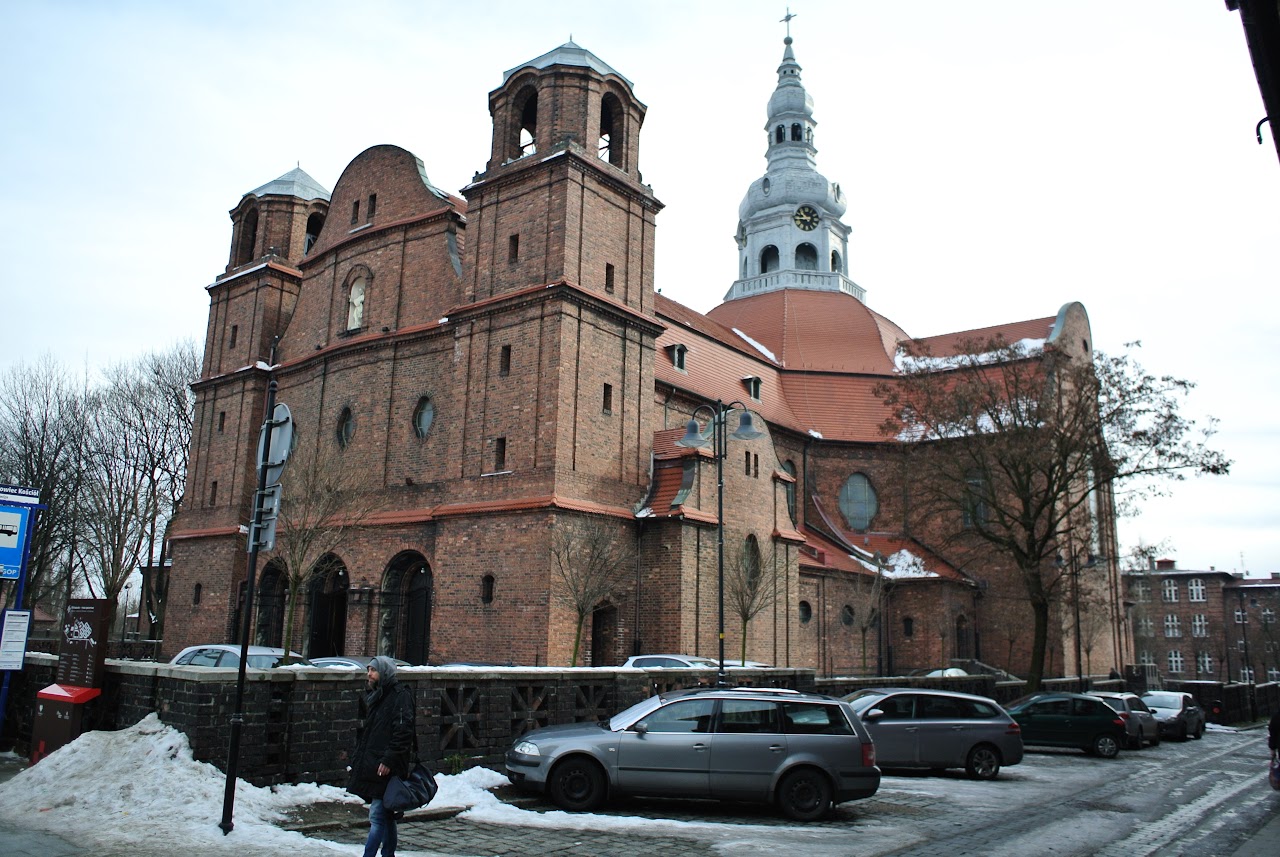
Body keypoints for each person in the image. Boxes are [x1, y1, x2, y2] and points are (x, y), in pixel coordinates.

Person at [348, 656, 415, 857]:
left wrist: (388, 760)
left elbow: (403, 731)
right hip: (375, 764)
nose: (369, 674)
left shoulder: (399, 696)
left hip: (386, 766)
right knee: (386, 816)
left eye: (373, 670)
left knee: (377, 816)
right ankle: (388, 854)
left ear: (384, 672)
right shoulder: (378, 696)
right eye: (368, 670)